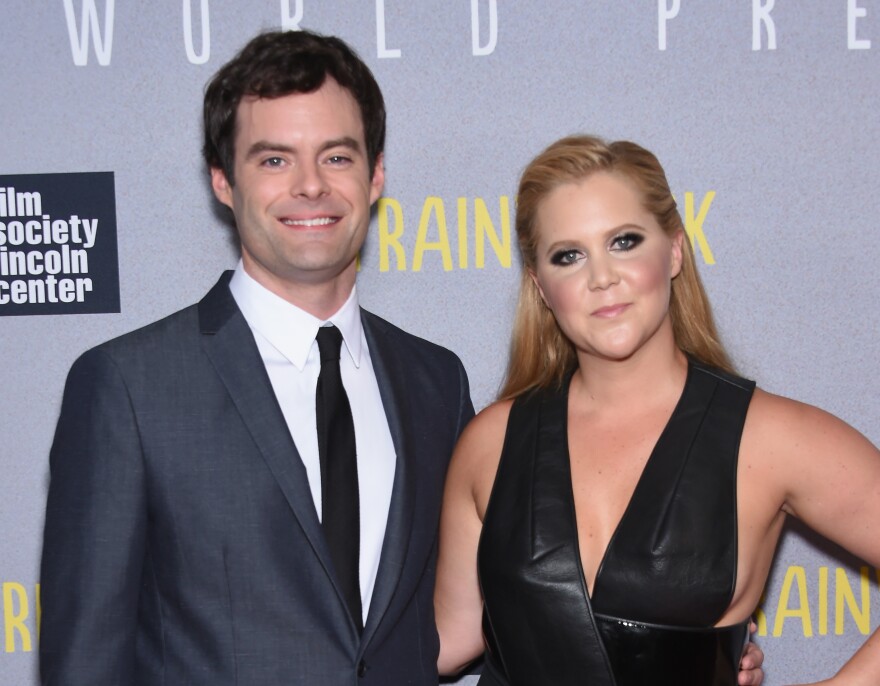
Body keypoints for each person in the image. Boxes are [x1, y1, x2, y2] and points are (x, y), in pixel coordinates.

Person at [39, 30, 474, 685]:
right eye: (274, 161)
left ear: (376, 173)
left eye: (337, 157)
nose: (310, 186)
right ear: (222, 180)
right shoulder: (129, 388)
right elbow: (86, 664)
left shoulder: (435, 381)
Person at [434, 135, 880, 685]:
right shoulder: (491, 442)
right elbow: (448, 639)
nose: (601, 277)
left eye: (624, 241)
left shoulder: (771, 438)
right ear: (541, 287)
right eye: (568, 256)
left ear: (673, 250)